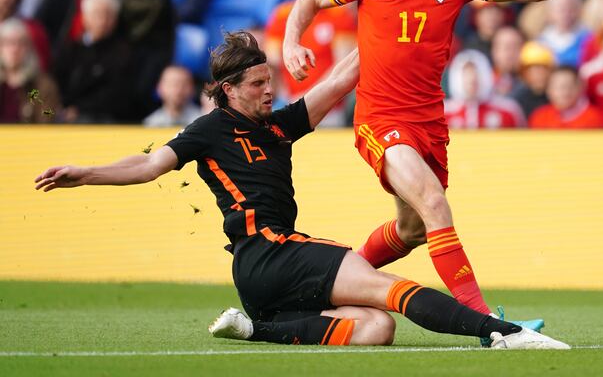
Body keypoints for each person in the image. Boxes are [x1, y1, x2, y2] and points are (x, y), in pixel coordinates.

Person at [34, 31, 569, 350]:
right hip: (268, 252)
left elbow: (338, 81)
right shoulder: (208, 129)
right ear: (228, 91)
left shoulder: (278, 124)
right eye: (257, 85)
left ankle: (255, 330)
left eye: (270, 81)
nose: (270, 90)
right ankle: (501, 331)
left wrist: (384, 29)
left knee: (375, 330)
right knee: (390, 288)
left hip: (266, 282)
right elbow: (148, 166)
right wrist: (85, 173)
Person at [282, 0, 603, 323]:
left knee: (412, 231)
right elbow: (308, 2)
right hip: (381, 121)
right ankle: (485, 323)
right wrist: (291, 42)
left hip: (429, 124)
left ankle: (330, 288)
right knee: (433, 203)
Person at [265, 0, 356, 127]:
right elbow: (273, 63)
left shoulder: (339, 15)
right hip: (287, 101)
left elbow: (342, 64)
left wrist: (308, 98)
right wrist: (286, 97)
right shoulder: (281, 15)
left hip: (328, 105)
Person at [443, 49, 525, 129]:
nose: (472, 78)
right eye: (466, 73)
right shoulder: (443, 114)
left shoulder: (508, 111)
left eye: (476, 72)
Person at [0, 18, 60, 123]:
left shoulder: (41, 86)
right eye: (8, 42)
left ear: (29, 47)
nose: (14, 49)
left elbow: (48, 118)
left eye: (20, 43)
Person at [528, 65, 603, 129]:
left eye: (569, 85)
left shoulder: (596, 119)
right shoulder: (539, 117)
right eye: (559, 87)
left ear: (580, 87)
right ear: (548, 90)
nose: (565, 91)